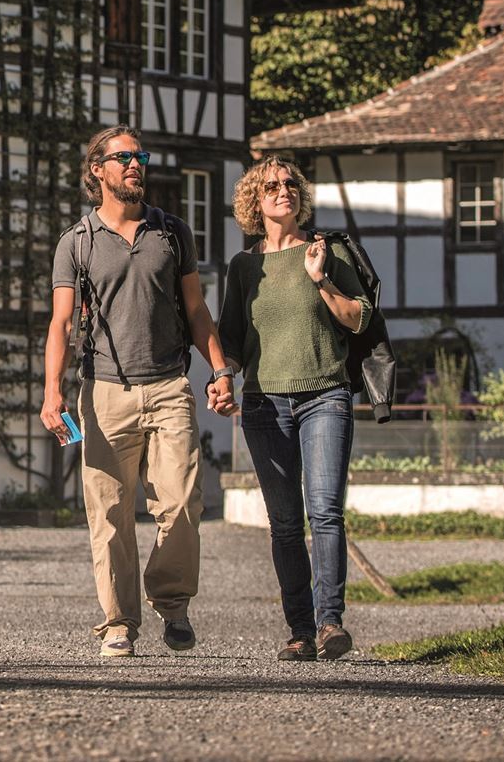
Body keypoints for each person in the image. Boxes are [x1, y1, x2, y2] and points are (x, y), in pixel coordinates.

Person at [39, 126, 238, 658]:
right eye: (122, 157)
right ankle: (118, 622)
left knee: (181, 503)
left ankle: (171, 603)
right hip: (104, 390)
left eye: (139, 156)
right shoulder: (76, 243)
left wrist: (218, 369)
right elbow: (60, 324)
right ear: (97, 170)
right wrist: (51, 394)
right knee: (109, 514)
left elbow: (195, 310)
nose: (134, 164)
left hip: (170, 385)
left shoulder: (171, 232)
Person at [217, 156, 371, 662]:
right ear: (254, 202)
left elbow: (357, 321)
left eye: (290, 184)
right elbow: (233, 341)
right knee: (284, 522)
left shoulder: (327, 251)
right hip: (263, 403)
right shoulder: (243, 267)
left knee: (324, 511)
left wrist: (321, 280)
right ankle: (300, 631)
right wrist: (221, 378)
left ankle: (330, 623)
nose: (283, 190)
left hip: (324, 395)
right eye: (271, 186)